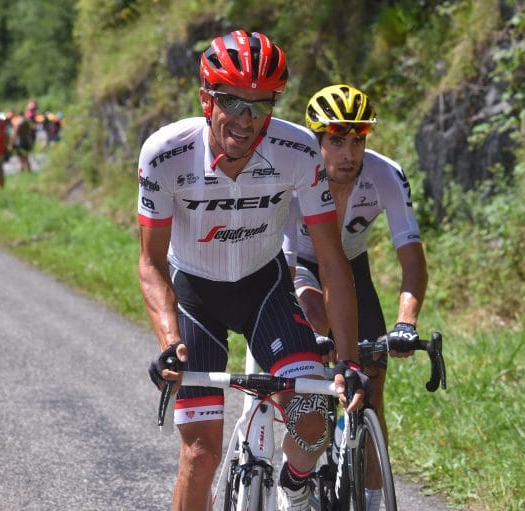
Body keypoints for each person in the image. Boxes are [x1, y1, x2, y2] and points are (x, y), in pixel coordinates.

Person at [137, 30, 365, 511]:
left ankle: (293, 485)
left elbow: (329, 258)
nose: (247, 120)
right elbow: (152, 262)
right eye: (233, 103)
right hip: (196, 297)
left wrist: (347, 360)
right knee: (201, 455)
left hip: (266, 291)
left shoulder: (298, 150)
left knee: (311, 422)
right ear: (206, 99)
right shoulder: (165, 154)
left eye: (262, 105)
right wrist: (167, 340)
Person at [283, 84, 428, 508]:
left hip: (352, 269)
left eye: (358, 140)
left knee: (372, 387)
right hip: (301, 266)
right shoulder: (297, 175)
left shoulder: (384, 173)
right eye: (337, 141)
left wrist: (406, 323)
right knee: (316, 320)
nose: (349, 153)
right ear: (317, 141)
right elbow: (287, 263)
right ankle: (305, 455)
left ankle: (370, 495)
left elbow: (413, 260)